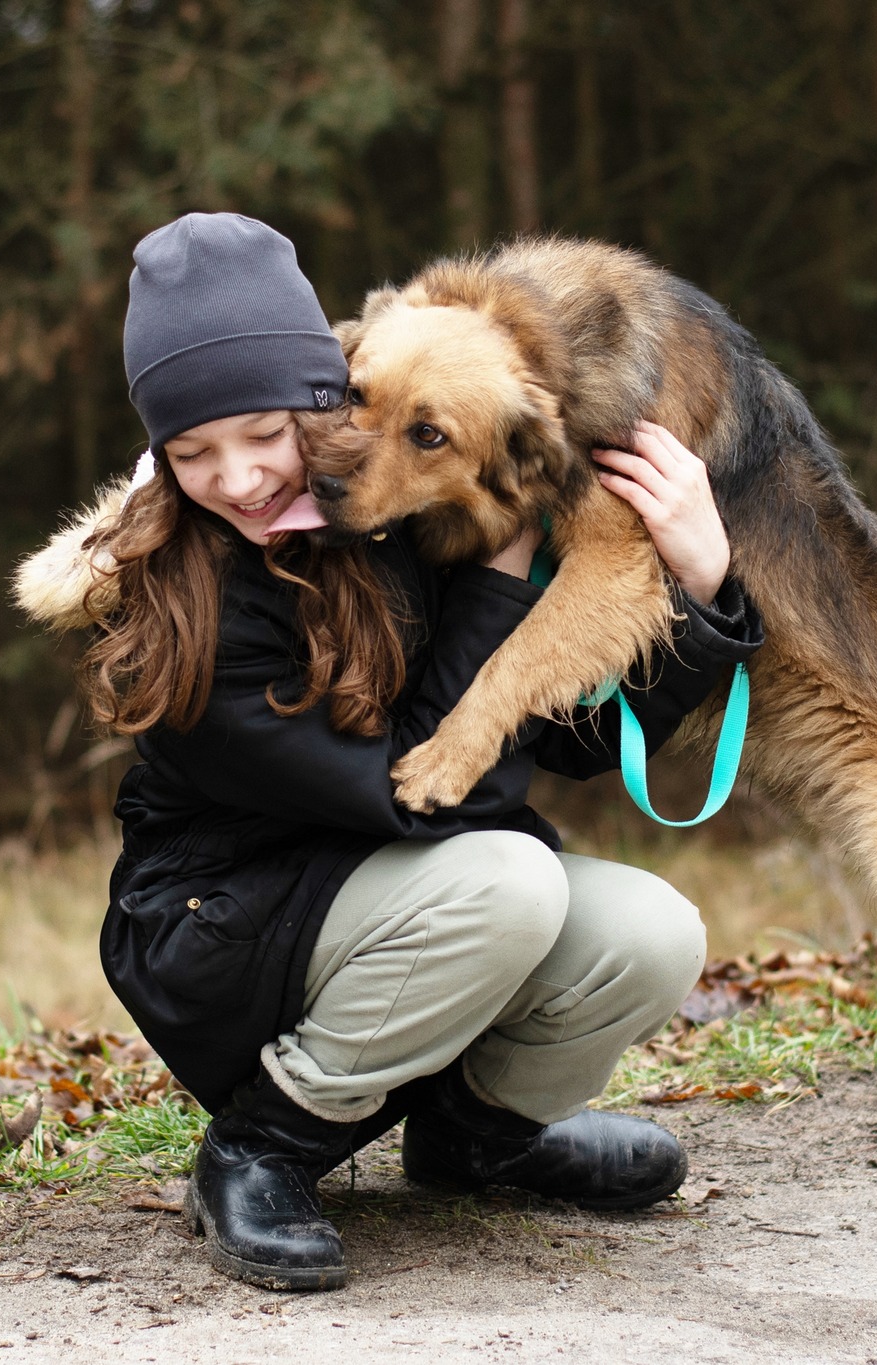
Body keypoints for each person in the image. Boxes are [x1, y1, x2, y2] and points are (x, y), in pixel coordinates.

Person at [75, 213, 763, 1292]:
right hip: (229, 943)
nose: (245, 478)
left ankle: (477, 1138)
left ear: (324, 392)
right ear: (158, 456)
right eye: (193, 451)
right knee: (507, 879)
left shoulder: (383, 516)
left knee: (651, 931)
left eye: (264, 431)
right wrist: (503, 577)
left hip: (402, 907)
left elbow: (572, 749)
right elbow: (416, 799)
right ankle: (261, 1148)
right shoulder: (186, 605)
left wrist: (707, 582)